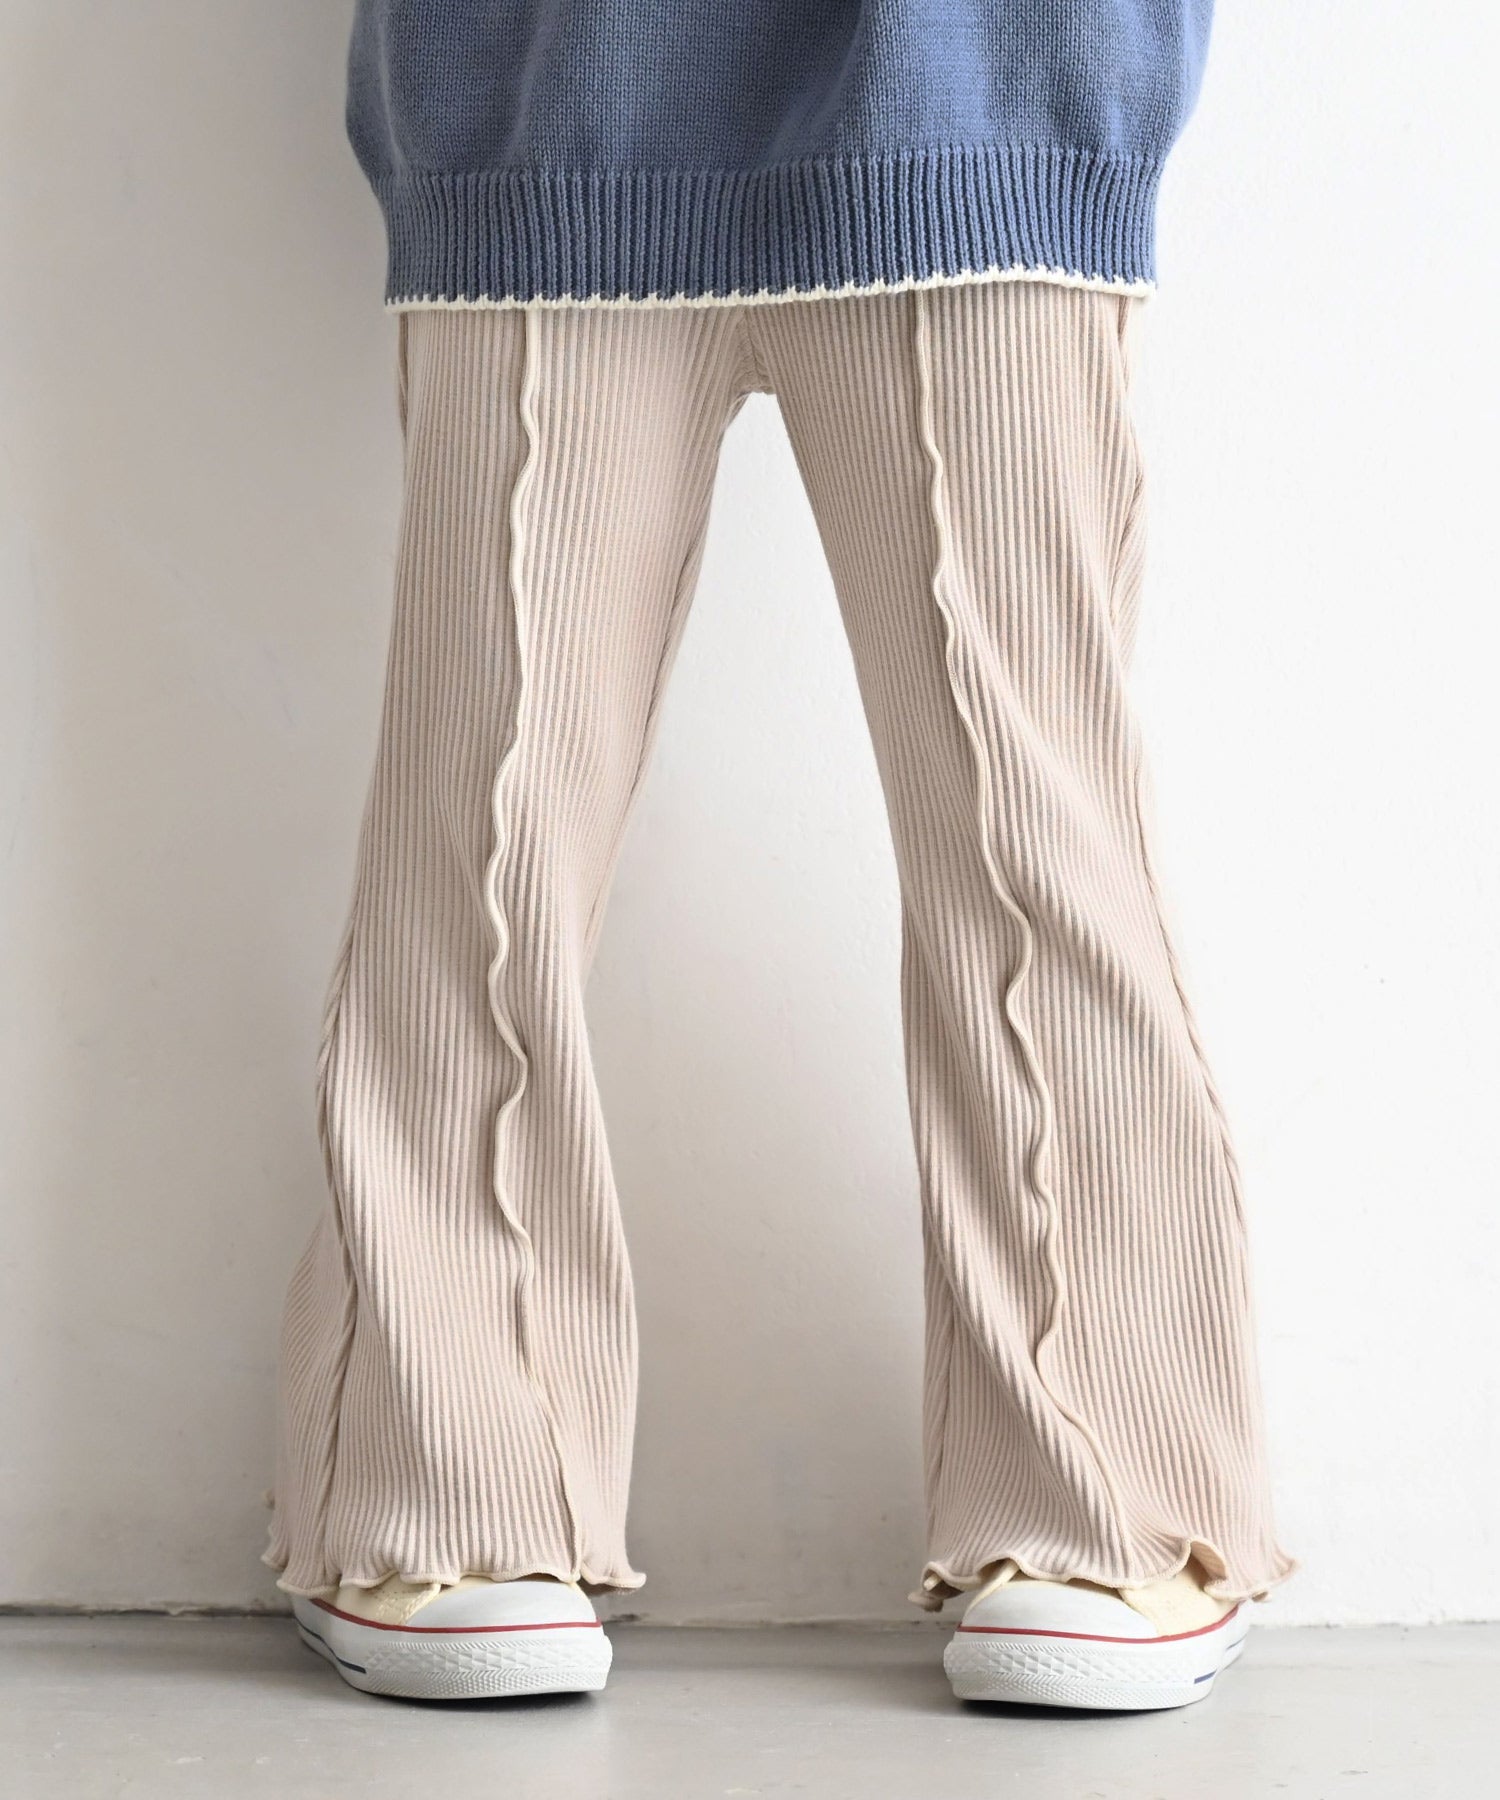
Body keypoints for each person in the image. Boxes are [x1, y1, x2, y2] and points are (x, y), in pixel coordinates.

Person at [267, 0, 1293, 1711]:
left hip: (984, 81)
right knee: (484, 836)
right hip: (551, 88)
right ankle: (442, 1476)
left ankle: (1109, 1487)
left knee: (1034, 845)